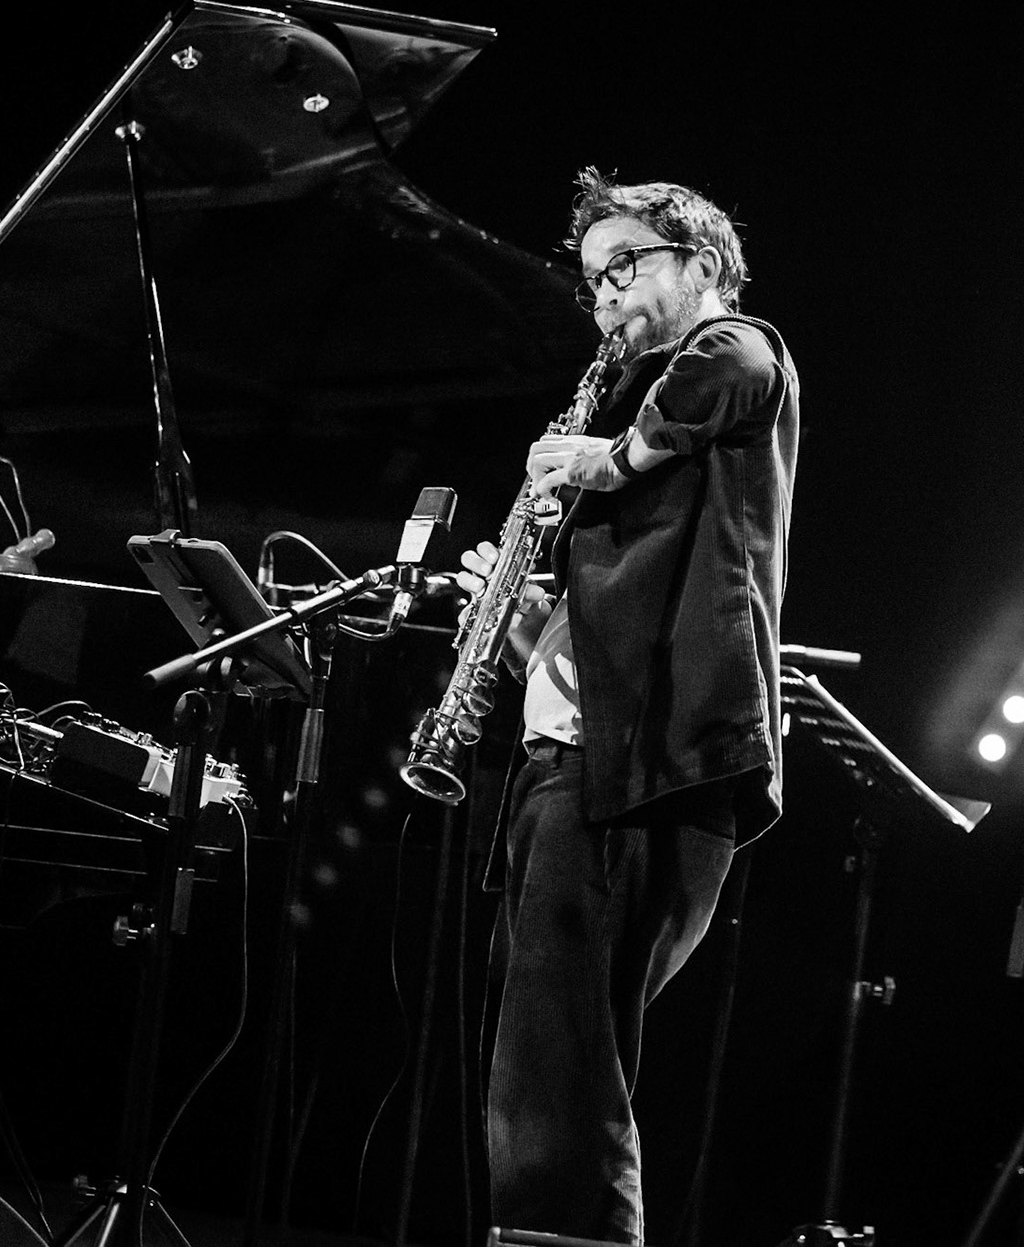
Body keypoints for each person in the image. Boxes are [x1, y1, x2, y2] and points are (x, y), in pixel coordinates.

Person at [453, 167, 799, 1243]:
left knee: (560, 1079)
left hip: (643, 764)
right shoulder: (659, 434)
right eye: (593, 281)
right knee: (547, 1064)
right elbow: (620, 614)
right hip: (573, 757)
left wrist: (605, 457)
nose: (604, 297)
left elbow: (742, 356)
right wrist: (524, 630)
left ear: (699, 264)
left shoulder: (730, 356)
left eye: (625, 267)